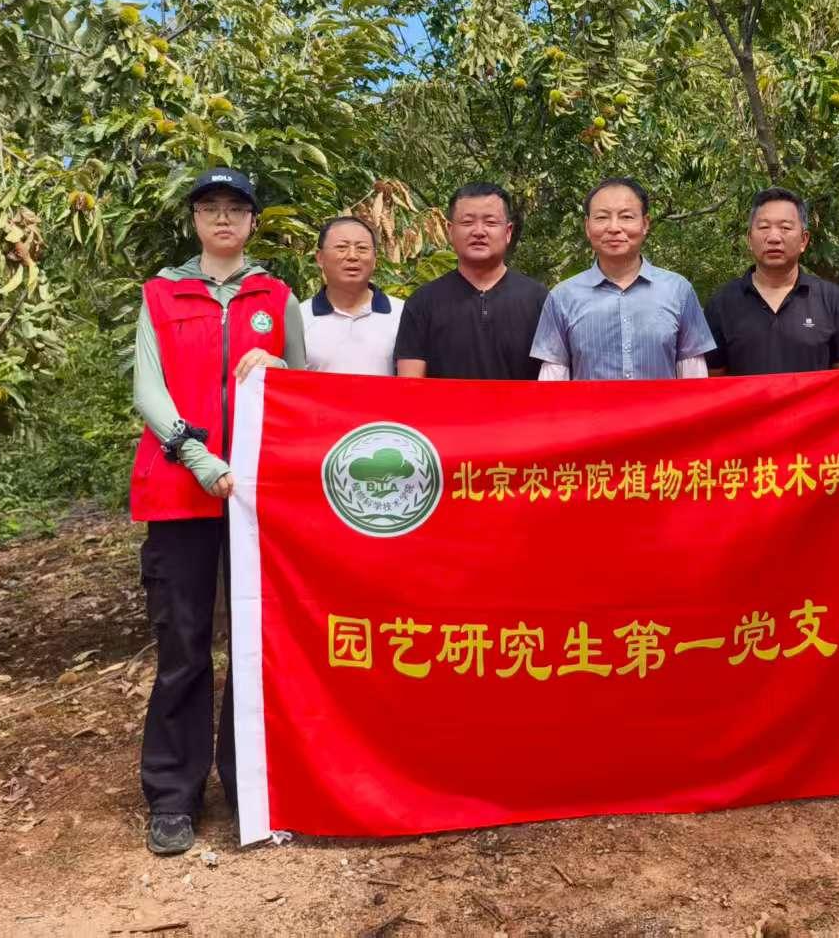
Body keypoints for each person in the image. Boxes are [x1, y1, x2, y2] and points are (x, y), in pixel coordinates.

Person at [129, 168, 305, 857]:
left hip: (258, 498)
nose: (223, 218)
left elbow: (304, 385)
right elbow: (148, 390)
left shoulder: (277, 295)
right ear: (195, 220)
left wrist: (279, 367)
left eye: (236, 207)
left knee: (257, 642)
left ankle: (247, 784)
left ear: (253, 221)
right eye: (210, 207)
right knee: (183, 642)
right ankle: (173, 794)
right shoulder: (161, 292)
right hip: (180, 492)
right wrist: (197, 456)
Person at [531, 177, 715, 381]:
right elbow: (553, 385)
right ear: (587, 226)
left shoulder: (678, 291)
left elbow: (694, 381)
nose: (614, 227)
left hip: (663, 405)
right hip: (587, 405)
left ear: (645, 224)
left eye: (626, 217)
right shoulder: (562, 297)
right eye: (602, 217)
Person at [394, 182, 549, 380]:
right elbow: (409, 387)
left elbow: (553, 380)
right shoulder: (422, 303)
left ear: (508, 232)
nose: (479, 231)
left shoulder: (539, 300)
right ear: (450, 231)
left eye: (490, 222)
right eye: (467, 223)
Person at [704, 187, 839, 376]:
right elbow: (713, 381)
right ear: (749, 239)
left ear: (804, 240)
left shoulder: (832, 300)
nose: (774, 238)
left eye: (785, 228)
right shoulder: (722, 303)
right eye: (764, 227)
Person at [296, 216, 404, 375]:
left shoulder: (403, 313)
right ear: (320, 258)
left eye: (362, 248)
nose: (352, 256)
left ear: (375, 259)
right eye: (341, 247)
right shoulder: (299, 318)